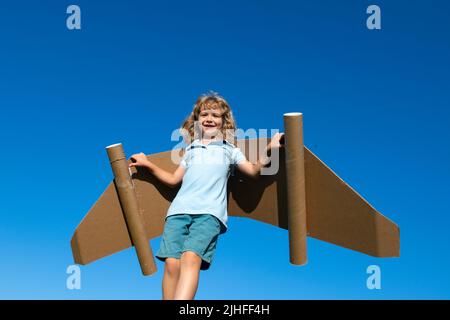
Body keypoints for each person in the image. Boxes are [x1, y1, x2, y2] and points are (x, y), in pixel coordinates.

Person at [129, 92, 284, 300]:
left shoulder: (230, 151)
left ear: (223, 122)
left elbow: (254, 171)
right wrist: (148, 164)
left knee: (190, 258)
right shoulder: (190, 150)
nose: (209, 118)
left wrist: (271, 149)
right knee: (172, 264)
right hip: (177, 212)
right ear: (197, 121)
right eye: (204, 115)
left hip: (209, 215)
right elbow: (174, 180)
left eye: (215, 115)